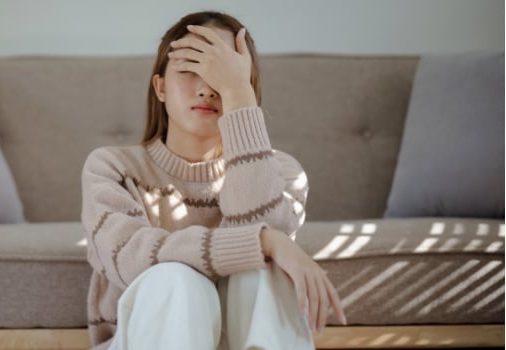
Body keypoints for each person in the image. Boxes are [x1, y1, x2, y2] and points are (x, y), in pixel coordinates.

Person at [80, 10, 347, 350]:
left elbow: (258, 236)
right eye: (192, 68)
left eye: (223, 73)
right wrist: (266, 241)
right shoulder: (111, 168)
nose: (207, 88)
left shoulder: (283, 172)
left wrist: (238, 96)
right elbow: (130, 260)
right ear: (160, 87)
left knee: (264, 273)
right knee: (176, 278)